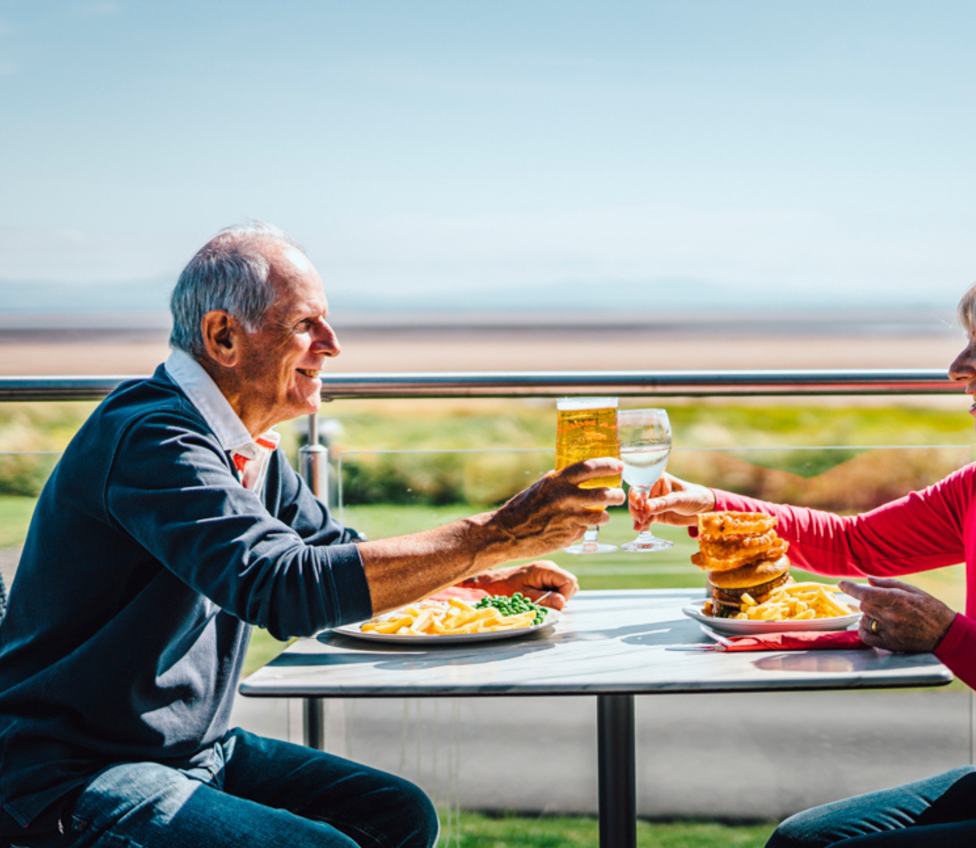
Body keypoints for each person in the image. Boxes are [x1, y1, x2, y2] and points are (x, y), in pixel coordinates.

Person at [0, 222, 625, 848]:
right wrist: (496, 534)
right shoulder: (154, 439)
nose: (332, 344)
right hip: (67, 772)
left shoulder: (245, 449)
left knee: (396, 813)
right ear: (223, 336)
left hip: (192, 751)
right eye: (305, 324)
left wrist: (477, 580)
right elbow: (283, 588)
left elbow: (332, 557)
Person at [632, 258, 976, 848]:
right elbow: (853, 543)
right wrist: (713, 507)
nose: (957, 369)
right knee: (797, 842)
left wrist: (947, 635)